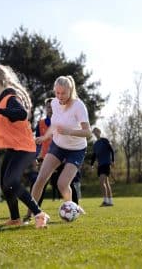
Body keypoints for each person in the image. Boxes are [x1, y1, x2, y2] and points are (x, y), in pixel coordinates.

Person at [0, 64, 49, 228]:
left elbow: (21, 114)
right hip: (14, 148)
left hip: (24, 148)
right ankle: (15, 219)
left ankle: (39, 214)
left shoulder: (10, 98)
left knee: (11, 181)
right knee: (4, 184)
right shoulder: (0, 99)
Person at [31, 75, 91, 214]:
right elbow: (54, 125)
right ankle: (31, 214)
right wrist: (45, 137)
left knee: (62, 184)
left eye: (63, 93)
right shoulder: (54, 103)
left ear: (70, 90)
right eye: (57, 93)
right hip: (57, 146)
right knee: (40, 179)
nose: (60, 96)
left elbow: (88, 132)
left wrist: (69, 131)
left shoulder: (78, 106)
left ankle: (72, 209)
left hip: (76, 150)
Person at [91, 127, 115, 206]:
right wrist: (91, 164)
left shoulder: (105, 140)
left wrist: (113, 160)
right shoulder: (95, 144)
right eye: (94, 132)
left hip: (106, 164)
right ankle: (110, 201)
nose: (95, 133)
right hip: (100, 165)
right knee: (106, 183)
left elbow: (111, 150)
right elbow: (94, 155)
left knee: (102, 182)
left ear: (99, 132)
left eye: (96, 131)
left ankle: (105, 201)